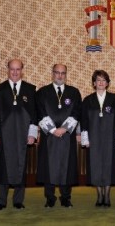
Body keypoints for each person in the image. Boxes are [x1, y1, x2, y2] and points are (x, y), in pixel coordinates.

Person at [0, 59, 37, 210]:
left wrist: (32, 134)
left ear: (22, 70)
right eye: (12, 69)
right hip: (4, 137)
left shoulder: (30, 90)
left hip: (23, 137)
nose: (15, 72)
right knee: (3, 168)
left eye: (18, 69)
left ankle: (18, 201)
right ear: (7, 70)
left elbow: (34, 115)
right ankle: (1, 201)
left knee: (20, 166)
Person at [36, 64, 82, 208]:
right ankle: (50, 198)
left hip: (67, 136)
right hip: (49, 136)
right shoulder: (42, 92)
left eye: (63, 73)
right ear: (52, 73)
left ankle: (65, 197)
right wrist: (52, 129)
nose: (60, 76)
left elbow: (76, 112)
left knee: (66, 167)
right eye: (57, 73)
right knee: (48, 167)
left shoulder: (74, 92)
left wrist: (64, 129)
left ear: (66, 74)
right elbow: (40, 112)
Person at [80, 70, 115, 208]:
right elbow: (84, 120)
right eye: (98, 80)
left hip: (109, 139)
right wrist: (85, 138)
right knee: (96, 166)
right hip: (94, 139)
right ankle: (99, 195)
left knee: (108, 167)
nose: (101, 82)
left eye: (103, 80)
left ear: (107, 83)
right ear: (94, 83)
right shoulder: (87, 100)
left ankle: (107, 195)